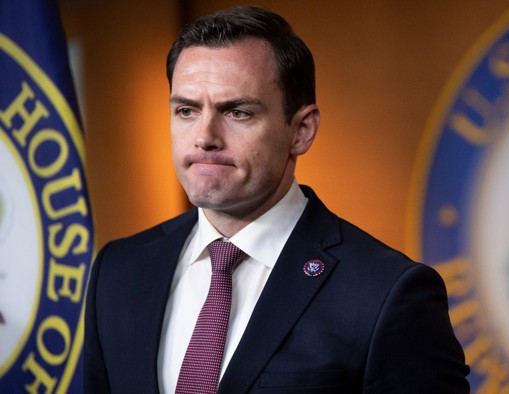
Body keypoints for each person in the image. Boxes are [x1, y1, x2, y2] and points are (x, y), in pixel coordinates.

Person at [84, 6, 469, 393]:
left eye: (237, 112)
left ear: (301, 130)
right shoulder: (118, 273)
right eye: (186, 110)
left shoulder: (386, 294)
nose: (204, 137)